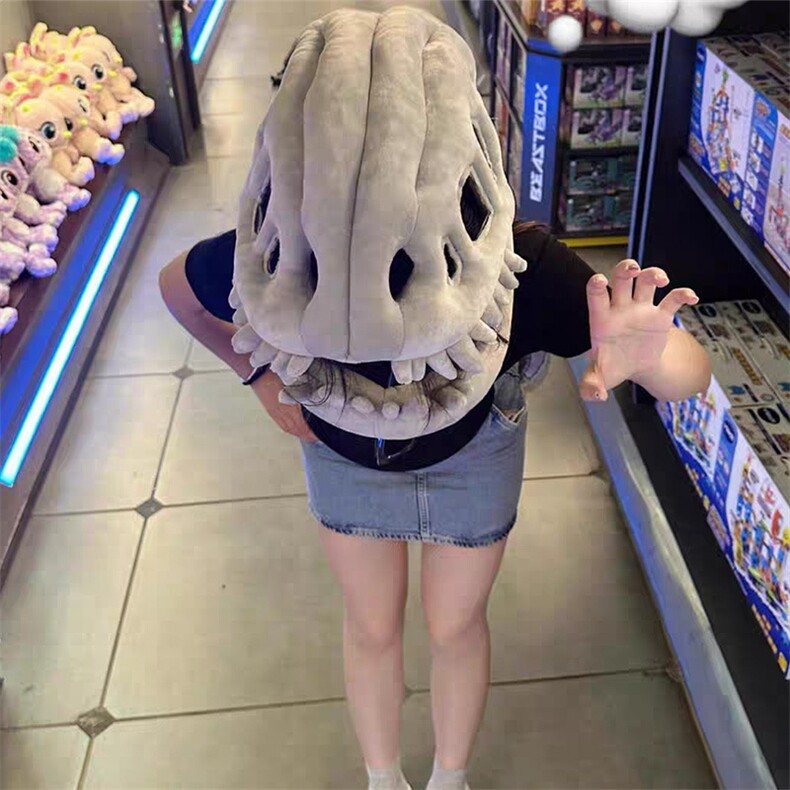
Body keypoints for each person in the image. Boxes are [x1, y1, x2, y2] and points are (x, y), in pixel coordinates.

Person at [159, 8, 711, 789]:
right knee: (371, 626)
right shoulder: (278, 255)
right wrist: (256, 376)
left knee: (455, 626)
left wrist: (654, 353)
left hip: (474, 459)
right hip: (344, 463)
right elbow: (179, 289)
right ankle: (382, 777)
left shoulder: (521, 264)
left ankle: (450, 777)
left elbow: (690, 377)